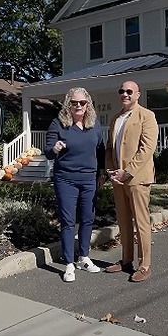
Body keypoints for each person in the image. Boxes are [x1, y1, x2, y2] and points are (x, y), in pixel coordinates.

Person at [44, 87, 106, 282]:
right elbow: (47, 152)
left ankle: (83, 258)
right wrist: (54, 148)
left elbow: (101, 149)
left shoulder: (94, 124)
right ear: (68, 104)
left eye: (82, 102)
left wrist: (102, 172)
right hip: (66, 179)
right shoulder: (58, 124)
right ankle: (69, 264)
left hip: (89, 178)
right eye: (74, 102)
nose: (78, 106)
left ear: (88, 104)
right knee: (68, 221)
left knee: (88, 218)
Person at [104, 80, 158, 282]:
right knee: (124, 221)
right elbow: (110, 147)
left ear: (138, 94)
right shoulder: (115, 118)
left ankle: (145, 265)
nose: (125, 94)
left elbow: (147, 149)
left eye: (129, 91)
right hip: (117, 178)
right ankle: (126, 260)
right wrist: (111, 171)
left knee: (141, 222)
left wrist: (127, 172)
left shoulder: (147, 116)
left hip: (137, 178)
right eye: (122, 91)